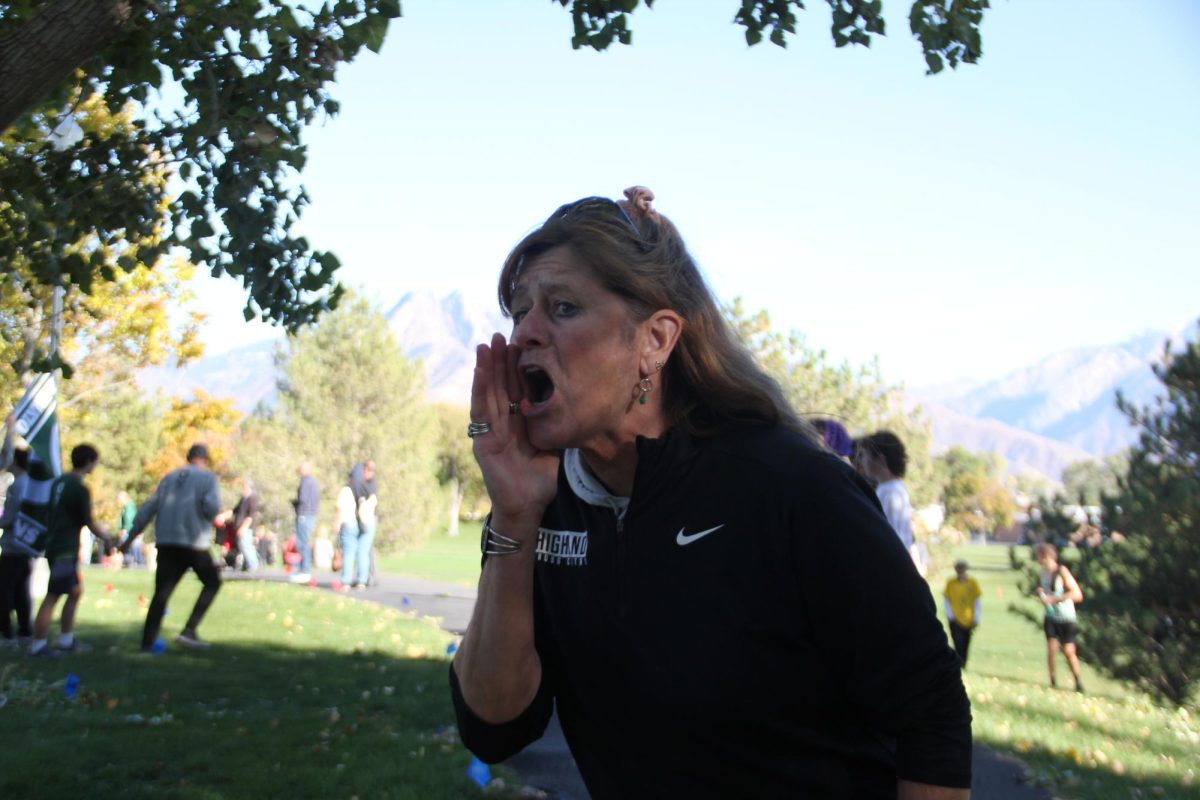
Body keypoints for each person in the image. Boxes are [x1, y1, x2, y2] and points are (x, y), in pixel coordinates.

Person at [449, 187, 971, 798]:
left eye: (562, 308)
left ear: (655, 341)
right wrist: (514, 514)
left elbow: (929, 714)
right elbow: (494, 726)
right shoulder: (540, 502)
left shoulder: (790, 485)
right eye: (518, 311)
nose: (524, 335)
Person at [124, 443, 227, 650]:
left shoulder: (169, 478)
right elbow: (211, 508)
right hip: (193, 542)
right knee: (212, 582)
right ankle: (189, 630)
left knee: (161, 592)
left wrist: (130, 537)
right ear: (205, 460)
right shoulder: (207, 478)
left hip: (167, 541)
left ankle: (147, 642)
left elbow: (149, 508)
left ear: (188, 457)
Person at [29, 444, 111, 656]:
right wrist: (108, 539)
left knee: (75, 591)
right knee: (54, 594)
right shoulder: (79, 488)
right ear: (89, 461)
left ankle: (66, 639)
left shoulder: (59, 482)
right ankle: (38, 645)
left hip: (55, 542)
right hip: (65, 547)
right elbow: (89, 521)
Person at [1035, 542, 1084, 692]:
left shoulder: (1061, 571)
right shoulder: (1043, 573)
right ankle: (1053, 682)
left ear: (1046, 556)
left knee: (1069, 652)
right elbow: (1047, 595)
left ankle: (1077, 681)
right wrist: (1042, 594)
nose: (1038, 559)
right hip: (1051, 617)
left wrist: (1055, 599)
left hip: (1066, 617)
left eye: (1039, 556)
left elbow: (1077, 594)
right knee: (1051, 649)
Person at [0, 447, 33, 645]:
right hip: (26, 545)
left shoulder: (18, 486)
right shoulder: (30, 484)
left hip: (14, 545)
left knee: (5, 589)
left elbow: (10, 516)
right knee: (21, 589)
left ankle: (6, 631)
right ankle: (24, 629)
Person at [943, 559, 982, 668]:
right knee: (957, 642)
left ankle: (963, 664)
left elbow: (977, 601)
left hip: (968, 619)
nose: (960, 573)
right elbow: (946, 599)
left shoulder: (972, 583)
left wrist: (976, 617)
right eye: (958, 570)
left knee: (966, 643)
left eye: (962, 570)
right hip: (955, 619)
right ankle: (958, 664)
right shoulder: (951, 583)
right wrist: (950, 615)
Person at [289, 460, 319, 583]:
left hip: (304, 515)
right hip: (309, 514)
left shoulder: (306, 482)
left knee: (302, 543)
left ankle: (305, 570)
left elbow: (303, 499)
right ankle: (303, 568)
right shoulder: (313, 483)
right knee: (303, 542)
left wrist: (296, 504)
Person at [230, 478, 259, 571]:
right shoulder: (243, 499)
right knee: (242, 546)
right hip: (240, 526)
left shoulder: (252, 498)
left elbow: (250, 515)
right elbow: (235, 510)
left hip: (246, 527)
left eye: (245, 487)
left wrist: (243, 527)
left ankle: (253, 565)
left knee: (247, 546)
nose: (243, 489)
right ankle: (248, 565)